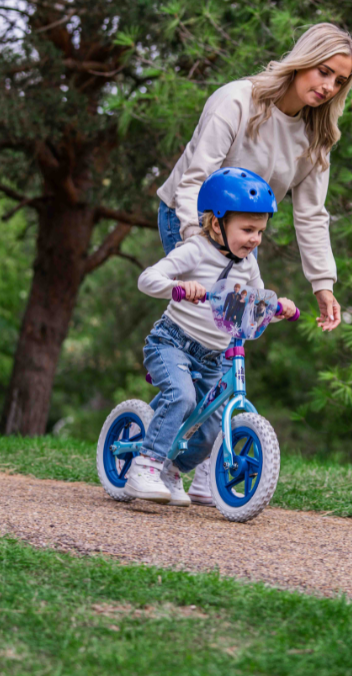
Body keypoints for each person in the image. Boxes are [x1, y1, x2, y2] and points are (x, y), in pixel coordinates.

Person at [155, 23, 352, 504]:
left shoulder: (316, 134)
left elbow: (311, 213)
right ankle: (160, 453)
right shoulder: (238, 100)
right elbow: (193, 180)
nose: (327, 87)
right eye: (323, 71)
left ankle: (209, 462)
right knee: (202, 333)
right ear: (302, 60)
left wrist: (323, 284)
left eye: (339, 81)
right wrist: (201, 251)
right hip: (189, 218)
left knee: (239, 333)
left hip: (237, 234)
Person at [128, 168, 297, 506]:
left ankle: (172, 469)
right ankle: (144, 466)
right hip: (173, 342)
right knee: (182, 396)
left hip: (214, 355)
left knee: (211, 429)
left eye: (261, 232)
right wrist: (177, 288)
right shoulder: (195, 250)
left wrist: (276, 310)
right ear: (216, 223)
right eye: (247, 230)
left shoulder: (248, 264)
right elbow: (148, 279)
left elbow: (254, 307)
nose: (255, 240)